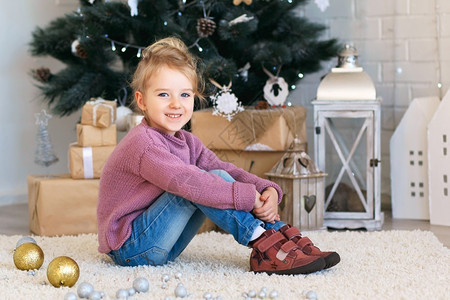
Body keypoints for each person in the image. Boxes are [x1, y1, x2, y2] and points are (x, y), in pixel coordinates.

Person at [97, 37, 340, 275]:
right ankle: (263, 242)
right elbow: (190, 182)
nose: (175, 104)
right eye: (163, 95)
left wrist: (267, 189)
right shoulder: (144, 144)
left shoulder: (187, 141)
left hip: (163, 244)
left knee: (216, 174)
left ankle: (276, 234)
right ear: (142, 101)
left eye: (184, 95)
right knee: (196, 182)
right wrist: (247, 197)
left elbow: (225, 170)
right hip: (132, 248)